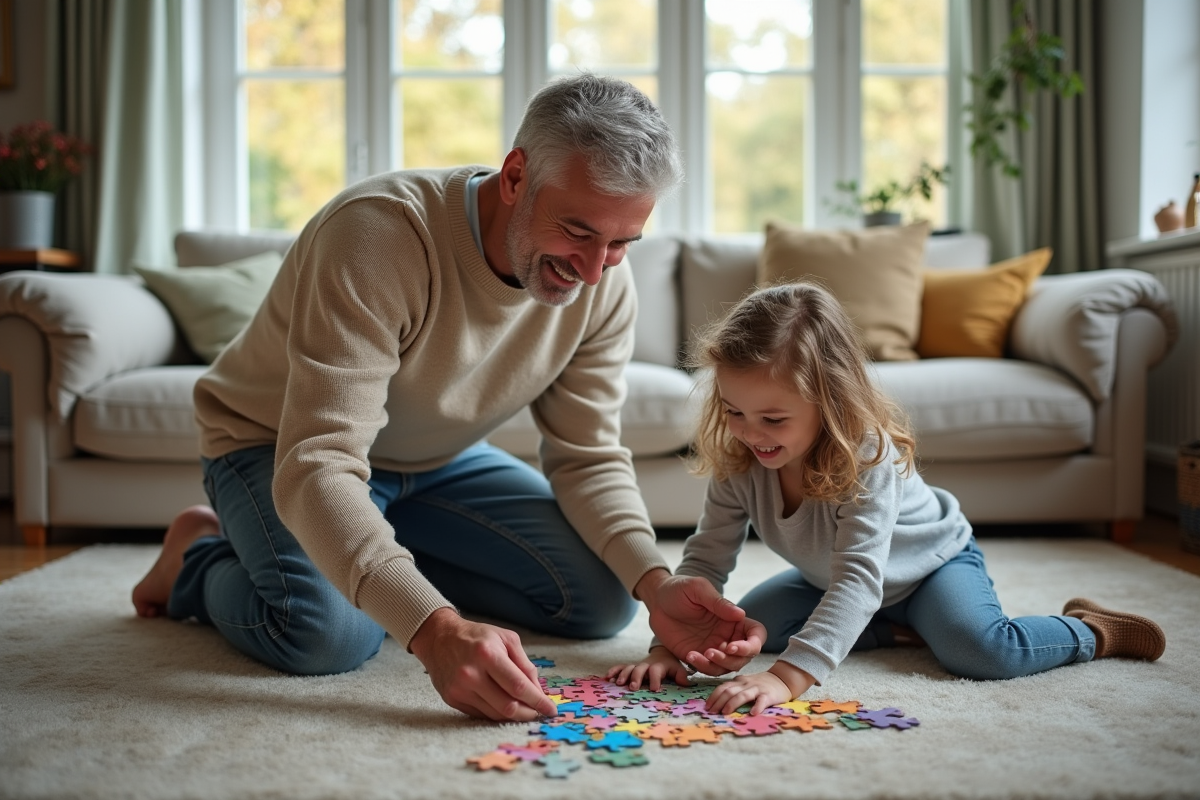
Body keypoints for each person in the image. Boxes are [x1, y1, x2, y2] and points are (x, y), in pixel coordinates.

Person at [132, 73, 763, 722]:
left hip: (431, 463)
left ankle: (372, 556)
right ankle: (197, 558)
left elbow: (587, 456)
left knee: (604, 601)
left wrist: (658, 586)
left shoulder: (604, 285)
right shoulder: (377, 235)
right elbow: (318, 463)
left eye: (621, 244)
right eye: (578, 231)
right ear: (515, 176)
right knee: (323, 635)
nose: (595, 268)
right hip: (275, 446)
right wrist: (434, 629)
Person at [608, 281, 1167, 716]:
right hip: (828, 579)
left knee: (980, 651)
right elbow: (706, 562)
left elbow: (859, 578)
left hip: (929, 567)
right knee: (741, 628)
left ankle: (1092, 630)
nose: (750, 433)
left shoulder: (866, 454)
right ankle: (896, 630)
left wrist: (786, 678)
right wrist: (668, 647)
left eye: (773, 418)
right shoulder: (740, 456)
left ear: (829, 399)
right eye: (733, 411)